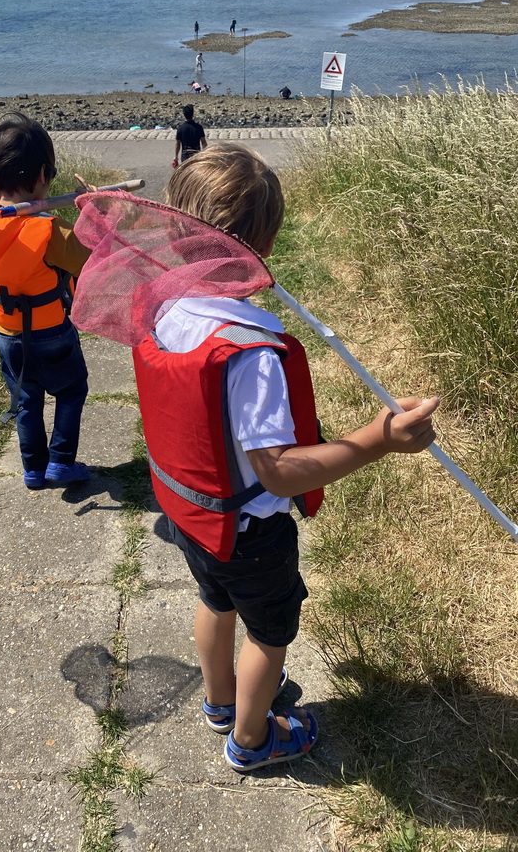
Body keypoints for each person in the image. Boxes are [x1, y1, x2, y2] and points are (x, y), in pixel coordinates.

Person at [133, 143, 438, 771]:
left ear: (175, 230)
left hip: (194, 515)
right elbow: (277, 468)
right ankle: (251, 739)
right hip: (251, 529)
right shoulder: (249, 351)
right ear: (263, 248)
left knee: (215, 602)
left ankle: (220, 701)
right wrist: (377, 438)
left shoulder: (166, 314)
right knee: (270, 634)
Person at [0, 113, 92, 490]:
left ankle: (33, 469)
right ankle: (60, 461)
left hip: (6, 333)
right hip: (52, 331)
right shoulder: (51, 231)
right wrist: (92, 213)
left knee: (26, 397)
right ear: (43, 174)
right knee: (72, 390)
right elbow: (89, 259)